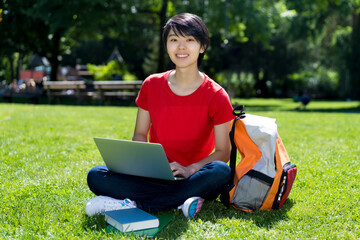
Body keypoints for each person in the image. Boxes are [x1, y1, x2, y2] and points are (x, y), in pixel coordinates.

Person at [85, 13, 235, 218]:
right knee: (96, 175)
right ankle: (178, 201)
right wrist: (142, 165)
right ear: (166, 45)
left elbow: (223, 153)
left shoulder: (217, 95)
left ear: (202, 47)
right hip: (152, 175)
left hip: (194, 176)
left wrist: (190, 169)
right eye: (174, 40)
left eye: (189, 40)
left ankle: (136, 203)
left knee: (221, 172)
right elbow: (139, 133)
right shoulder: (151, 85)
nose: (181, 47)